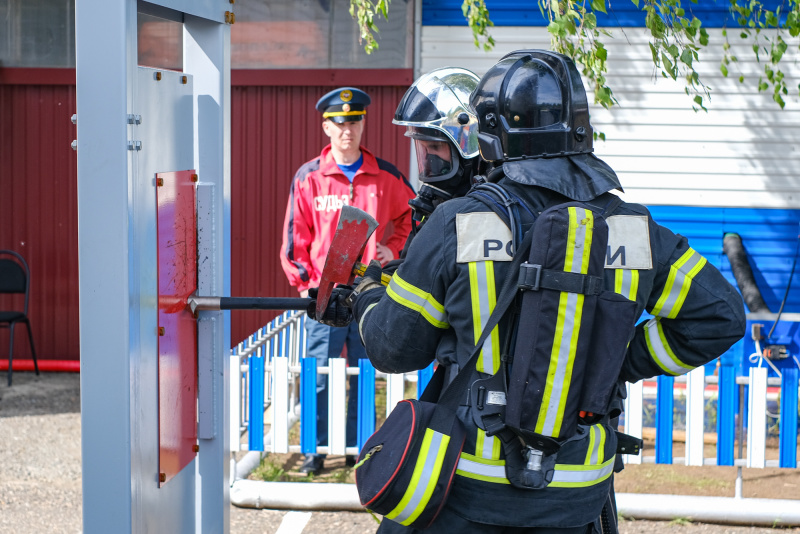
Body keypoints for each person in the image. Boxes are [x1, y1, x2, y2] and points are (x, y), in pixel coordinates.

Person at [342, 50, 746, 532]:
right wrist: (615, 359)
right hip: (579, 494)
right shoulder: (632, 229)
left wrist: (366, 298)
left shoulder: (458, 224)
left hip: (469, 488)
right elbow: (722, 316)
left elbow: (392, 348)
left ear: (489, 137)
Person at [279, 86, 415, 475]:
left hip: (370, 294)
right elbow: (294, 238)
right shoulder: (309, 178)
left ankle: (361, 449)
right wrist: (306, 283)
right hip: (324, 297)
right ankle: (314, 451)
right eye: (339, 123)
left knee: (364, 373)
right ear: (326, 127)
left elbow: (412, 218)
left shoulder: (386, 176)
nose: (347, 130)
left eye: (354, 122)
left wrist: (393, 250)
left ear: (362, 124)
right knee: (317, 374)